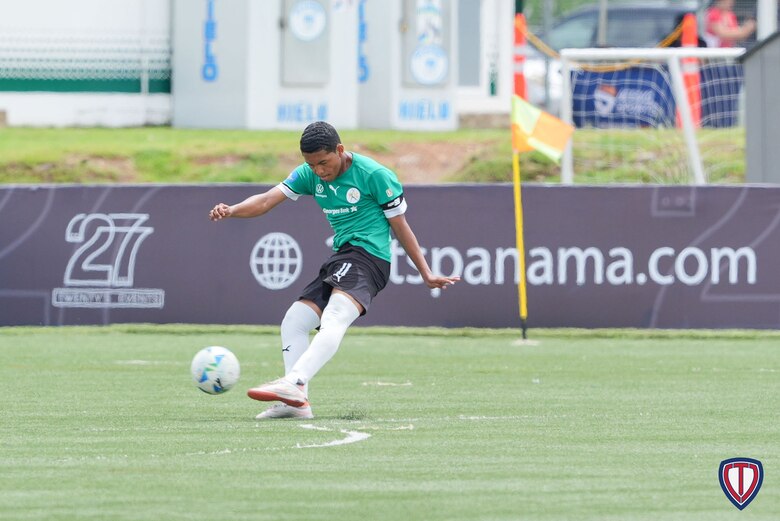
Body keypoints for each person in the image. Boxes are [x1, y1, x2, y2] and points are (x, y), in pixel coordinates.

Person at [208, 121, 459, 420]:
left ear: (340, 150)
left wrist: (426, 272)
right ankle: (295, 404)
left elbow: (401, 228)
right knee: (295, 321)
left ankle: (294, 383)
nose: (319, 172)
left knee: (334, 316)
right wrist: (232, 209)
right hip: (343, 257)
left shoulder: (374, 175)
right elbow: (265, 201)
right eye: (311, 165)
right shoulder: (309, 174)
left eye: (324, 163)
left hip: (370, 259)